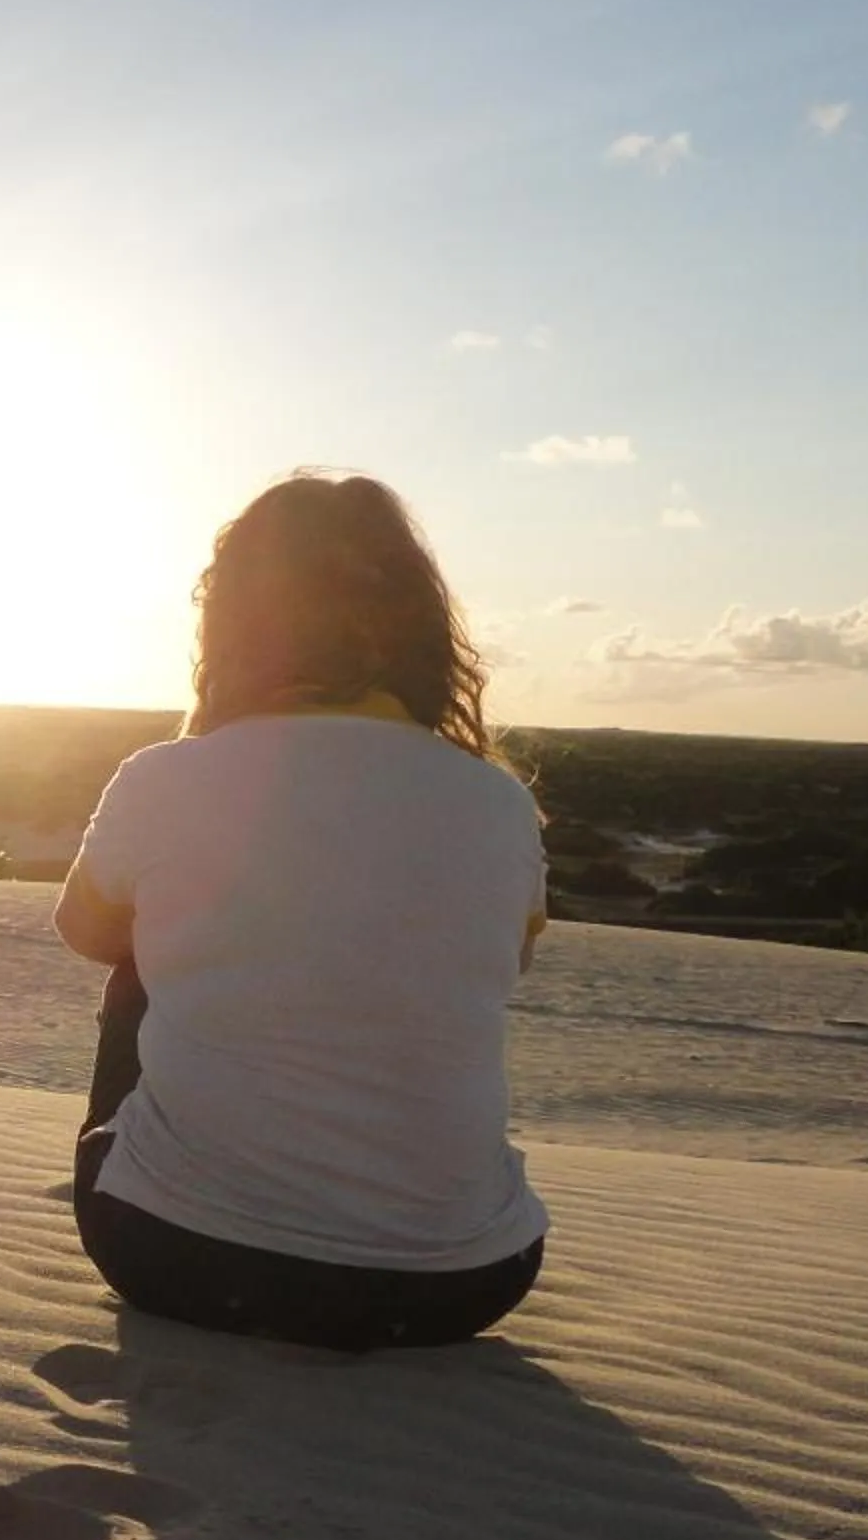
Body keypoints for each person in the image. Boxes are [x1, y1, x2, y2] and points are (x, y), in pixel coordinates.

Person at [52, 470, 548, 1352]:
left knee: (138, 959)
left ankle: (197, 1177)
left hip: (180, 1258)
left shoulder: (168, 778)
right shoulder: (498, 804)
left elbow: (85, 933)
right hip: (462, 1287)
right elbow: (508, 958)